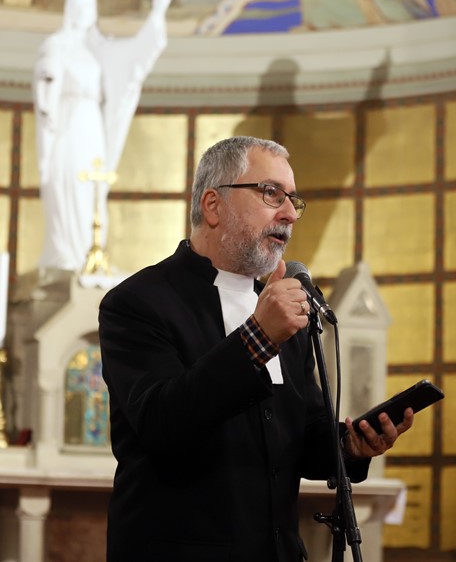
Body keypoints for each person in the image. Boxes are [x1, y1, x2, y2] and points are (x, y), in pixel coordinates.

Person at [98, 136, 414, 562]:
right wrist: (259, 337)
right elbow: (161, 424)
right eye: (271, 193)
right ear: (213, 205)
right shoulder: (138, 302)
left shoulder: (283, 310)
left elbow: (300, 437)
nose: (289, 213)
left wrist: (351, 447)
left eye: (292, 199)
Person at [33, 0, 172, 271]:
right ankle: (67, 256)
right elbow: (46, 85)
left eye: (91, 7)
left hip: (91, 125)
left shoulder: (99, 50)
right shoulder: (57, 45)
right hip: (68, 124)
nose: (87, 12)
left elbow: (135, 55)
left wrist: (157, 11)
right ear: (71, 9)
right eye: (81, 6)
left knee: (94, 188)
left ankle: (90, 253)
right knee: (70, 183)